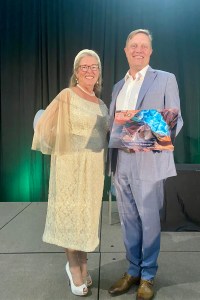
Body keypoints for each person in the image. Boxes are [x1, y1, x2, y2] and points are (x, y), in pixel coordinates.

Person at [108, 29, 183, 300]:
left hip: (148, 161)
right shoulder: (119, 86)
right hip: (122, 163)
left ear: (150, 51)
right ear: (126, 50)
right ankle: (132, 270)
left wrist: (140, 130)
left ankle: (148, 275)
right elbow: (112, 126)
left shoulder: (165, 79)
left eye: (144, 46)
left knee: (149, 221)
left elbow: (175, 120)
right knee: (128, 221)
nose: (138, 49)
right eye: (133, 45)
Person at [32, 49, 108, 296]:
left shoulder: (102, 104)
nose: (89, 71)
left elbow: (102, 138)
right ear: (76, 73)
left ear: (99, 73)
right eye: (83, 67)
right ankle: (74, 268)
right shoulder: (66, 96)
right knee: (70, 219)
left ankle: (84, 264)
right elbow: (43, 125)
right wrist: (65, 142)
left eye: (93, 67)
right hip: (69, 167)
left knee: (85, 220)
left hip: (93, 170)